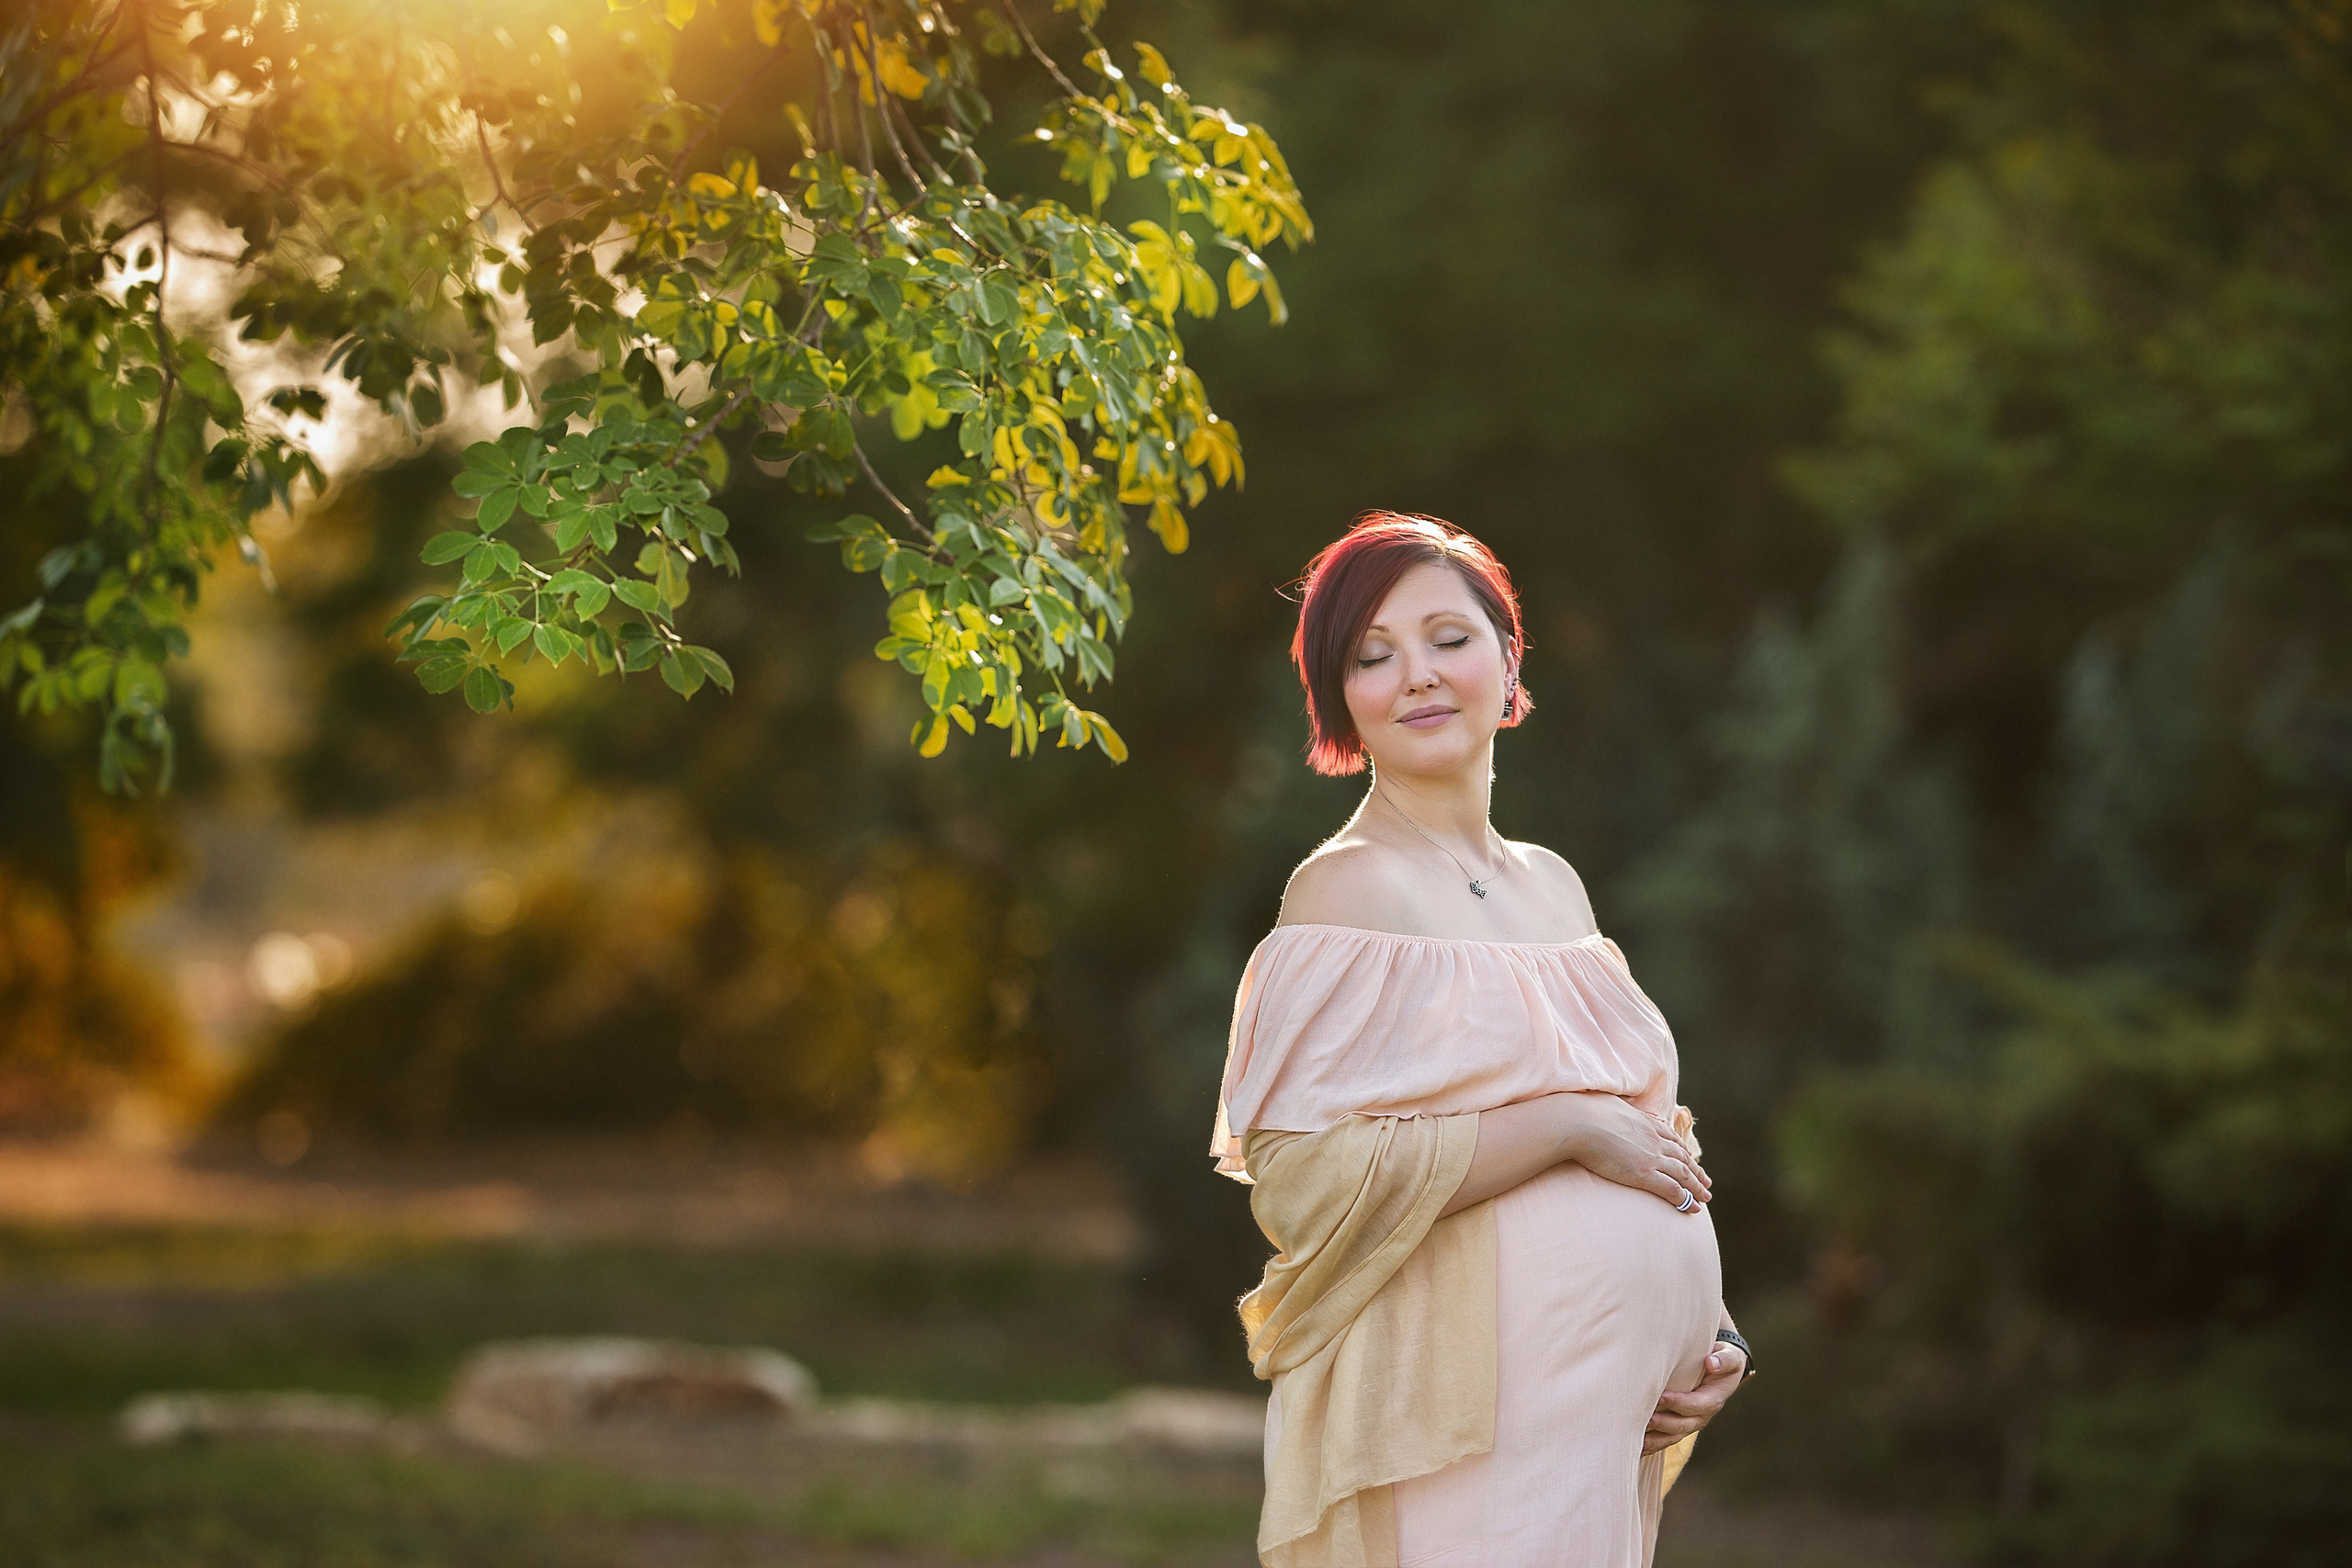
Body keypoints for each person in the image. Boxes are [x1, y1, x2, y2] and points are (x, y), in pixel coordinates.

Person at [1211, 513, 1751, 1568]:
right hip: (1463, 1418)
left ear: (1507, 661)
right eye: (1371, 656)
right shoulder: (1346, 888)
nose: (1415, 674)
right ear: (1342, 704)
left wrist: (1714, 1328)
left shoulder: (1553, 884)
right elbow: (1303, 1179)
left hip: (1599, 1426)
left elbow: (1644, 1127)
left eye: (1446, 638)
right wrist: (1555, 1129)